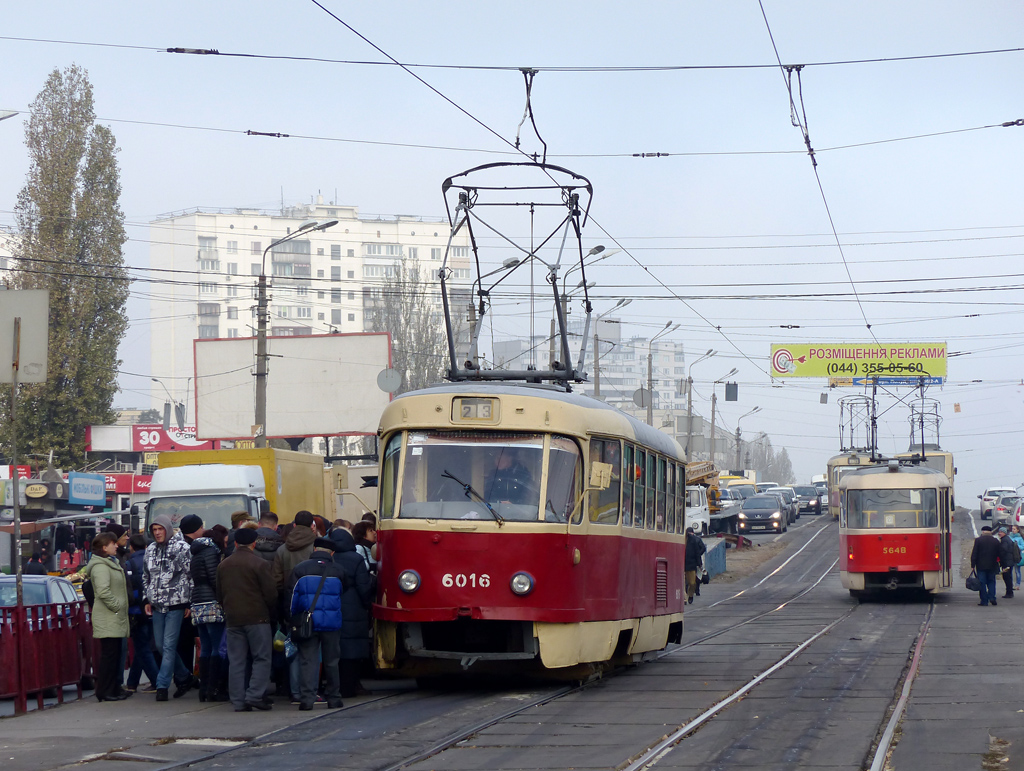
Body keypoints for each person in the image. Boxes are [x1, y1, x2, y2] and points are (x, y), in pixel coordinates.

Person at [217, 527, 277, 712]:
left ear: (235, 543)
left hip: (233, 618)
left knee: (236, 660)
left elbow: (219, 594)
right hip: (257, 617)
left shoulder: (223, 565)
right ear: (254, 543)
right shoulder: (260, 564)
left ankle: (238, 701)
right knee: (261, 657)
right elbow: (270, 594)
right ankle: (254, 695)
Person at [288, 538, 347, 710]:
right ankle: (334, 698)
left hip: (308, 622)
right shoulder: (339, 570)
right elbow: (344, 590)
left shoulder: (300, 569)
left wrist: (293, 618)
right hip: (332, 622)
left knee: (308, 661)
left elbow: (293, 598)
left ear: (314, 549)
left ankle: (307, 700)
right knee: (332, 661)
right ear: (332, 553)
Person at [143, 514, 195, 701]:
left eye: (160, 529)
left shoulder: (182, 548)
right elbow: (146, 576)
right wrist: (146, 599)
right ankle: (184, 676)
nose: (157, 533)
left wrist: (189, 602)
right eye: (154, 530)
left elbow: (191, 575)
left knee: (169, 645)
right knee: (160, 645)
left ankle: (162, 685)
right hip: (157, 604)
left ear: (168, 529)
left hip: (176, 603)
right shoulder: (150, 550)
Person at [84, 532, 132, 701]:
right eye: (113, 543)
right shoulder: (101, 567)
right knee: (109, 656)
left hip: (114, 616)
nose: (116, 545)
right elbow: (103, 591)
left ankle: (113, 689)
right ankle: (105, 691)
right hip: (109, 616)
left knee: (115, 654)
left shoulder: (110, 563)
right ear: (104, 547)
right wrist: (117, 607)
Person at [184, 516, 228, 702]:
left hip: (198, 603)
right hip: (211, 603)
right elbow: (213, 577)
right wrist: (222, 598)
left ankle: (204, 690)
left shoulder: (196, 551)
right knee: (217, 646)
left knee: (207, 647)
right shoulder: (211, 552)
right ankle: (215, 689)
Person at [328, 527, 374, 698]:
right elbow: (364, 587)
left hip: (334, 606)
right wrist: (367, 605)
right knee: (352, 650)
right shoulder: (356, 559)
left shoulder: (330, 558)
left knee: (335, 649)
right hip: (354, 609)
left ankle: (336, 686)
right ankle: (351, 686)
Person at [124, 534, 160, 694]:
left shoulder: (128, 564)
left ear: (131, 547)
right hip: (153, 607)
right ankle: (132, 682)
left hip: (136, 610)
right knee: (144, 646)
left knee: (142, 646)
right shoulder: (153, 560)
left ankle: (157, 680)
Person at [272, 511, 318, 594]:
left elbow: (277, 580)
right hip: (314, 596)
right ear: (312, 526)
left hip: (289, 596)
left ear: (294, 525)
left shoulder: (281, 549)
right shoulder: (316, 547)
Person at [971, 525, 1002, 606]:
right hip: (992, 565)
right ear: (990, 532)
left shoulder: (978, 540)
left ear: (983, 531)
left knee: (982, 583)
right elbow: (1000, 553)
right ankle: (992, 597)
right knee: (991, 582)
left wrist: (972, 564)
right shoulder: (995, 541)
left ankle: (984, 601)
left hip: (981, 566)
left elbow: (975, 553)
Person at [684, 527, 707, 605]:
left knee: (692, 583)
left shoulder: (694, 540)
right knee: (683, 583)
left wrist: (699, 564)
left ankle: (690, 595)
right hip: (682, 563)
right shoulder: (680, 539)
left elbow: (698, 552)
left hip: (691, 563)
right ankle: (685, 598)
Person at [998, 528, 1021, 599]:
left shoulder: (1004, 540)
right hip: (1010, 561)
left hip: (1006, 562)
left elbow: (1004, 549)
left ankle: (1009, 592)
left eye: (1001, 532)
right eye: (999, 532)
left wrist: (999, 556)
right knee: (1008, 576)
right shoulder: (1008, 539)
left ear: (1004, 533)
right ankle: (1009, 592)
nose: (999, 533)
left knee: (1007, 577)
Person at [1011, 525, 1024, 590]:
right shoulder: (1009, 537)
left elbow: (1023, 546)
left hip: (1016, 556)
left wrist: (1016, 547)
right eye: (1012, 529)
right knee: (1010, 571)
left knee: (1017, 570)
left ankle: (1017, 584)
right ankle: (1010, 584)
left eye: (1014, 529)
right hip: (1010, 556)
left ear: (1017, 530)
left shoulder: (1020, 538)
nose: (1013, 530)